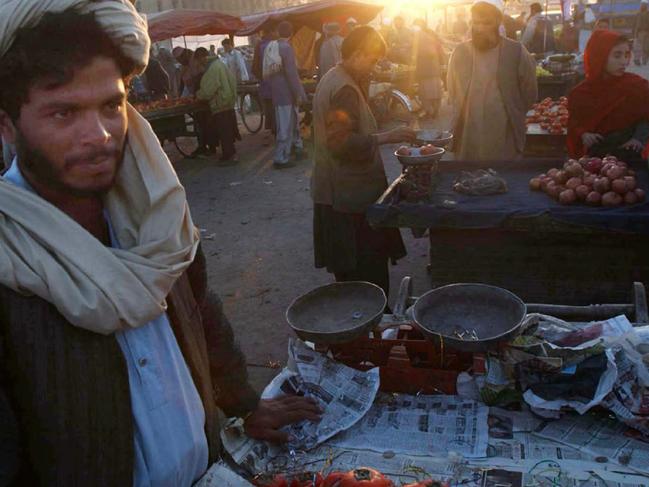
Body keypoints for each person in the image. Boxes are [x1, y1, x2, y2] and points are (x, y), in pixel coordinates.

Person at [0, 5, 320, 484]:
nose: (99, 135)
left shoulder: (156, 209)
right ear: (7, 127)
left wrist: (243, 404)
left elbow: (200, 309)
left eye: (111, 106)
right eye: (64, 112)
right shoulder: (11, 258)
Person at [311, 26, 415, 298]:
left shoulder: (336, 77)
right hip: (347, 199)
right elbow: (341, 143)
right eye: (371, 59)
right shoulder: (344, 88)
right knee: (366, 276)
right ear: (357, 54)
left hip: (338, 193)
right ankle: (372, 326)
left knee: (350, 279)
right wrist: (386, 138)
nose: (373, 66)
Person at [447, 0, 537, 161]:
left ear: (498, 22)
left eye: (486, 23)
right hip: (468, 130)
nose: (480, 28)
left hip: (504, 131)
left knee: (503, 177)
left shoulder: (516, 51)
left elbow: (529, 92)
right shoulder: (460, 52)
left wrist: (513, 111)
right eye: (476, 22)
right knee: (469, 177)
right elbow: (452, 90)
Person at [567, 30, 649, 161]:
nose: (624, 61)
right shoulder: (579, 94)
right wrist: (583, 134)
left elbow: (646, 117)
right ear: (600, 56)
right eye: (617, 56)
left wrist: (638, 139)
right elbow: (574, 122)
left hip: (630, 156)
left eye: (627, 55)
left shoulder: (638, 86)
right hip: (594, 160)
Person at [267, 21, 307, 168]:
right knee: (285, 127)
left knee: (285, 125)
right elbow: (291, 74)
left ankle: (288, 153)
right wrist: (300, 93)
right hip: (287, 93)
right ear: (291, 33)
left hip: (277, 92)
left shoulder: (273, 46)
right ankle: (280, 158)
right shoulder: (286, 48)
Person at [196, 47, 239, 162]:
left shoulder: (212, 69)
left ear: (202, 58)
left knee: (224, 132)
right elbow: (232, 80)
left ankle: (229, 156)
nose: (199, 64)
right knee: (228, 131)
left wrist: (198, 95)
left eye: (199, 61)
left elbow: (208, 91)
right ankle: (231, 153)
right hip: (228, 101)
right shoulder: (220, 64)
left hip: (220, 103)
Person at [413, 19, 445, 119]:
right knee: (435, 90)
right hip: (434, 67)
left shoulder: (419, 35)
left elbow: (418, 51)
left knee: (426, 91)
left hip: (425, 67)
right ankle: (434, 110)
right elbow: (439, 46)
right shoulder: (431, 33)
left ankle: (430, 111)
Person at [252, 27, 277, 136]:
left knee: (269, 107)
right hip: (275, 83)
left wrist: (261, 77)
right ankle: (276, 130)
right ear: (271, 32)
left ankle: (271, 129)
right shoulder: (275, 45)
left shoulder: (259, 45)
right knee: (276, 108)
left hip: (265, 83)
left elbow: (254, 68)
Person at [634, 0, 649, 66]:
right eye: (642, 5)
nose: (643, 6)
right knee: (638, 47)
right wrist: (634, 32)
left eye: (644, 5)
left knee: (646, 47)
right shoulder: (638, 14)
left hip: (647, 32)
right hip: (639, 32)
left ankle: (644, 60)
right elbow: (635, 24)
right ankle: (637, 59)